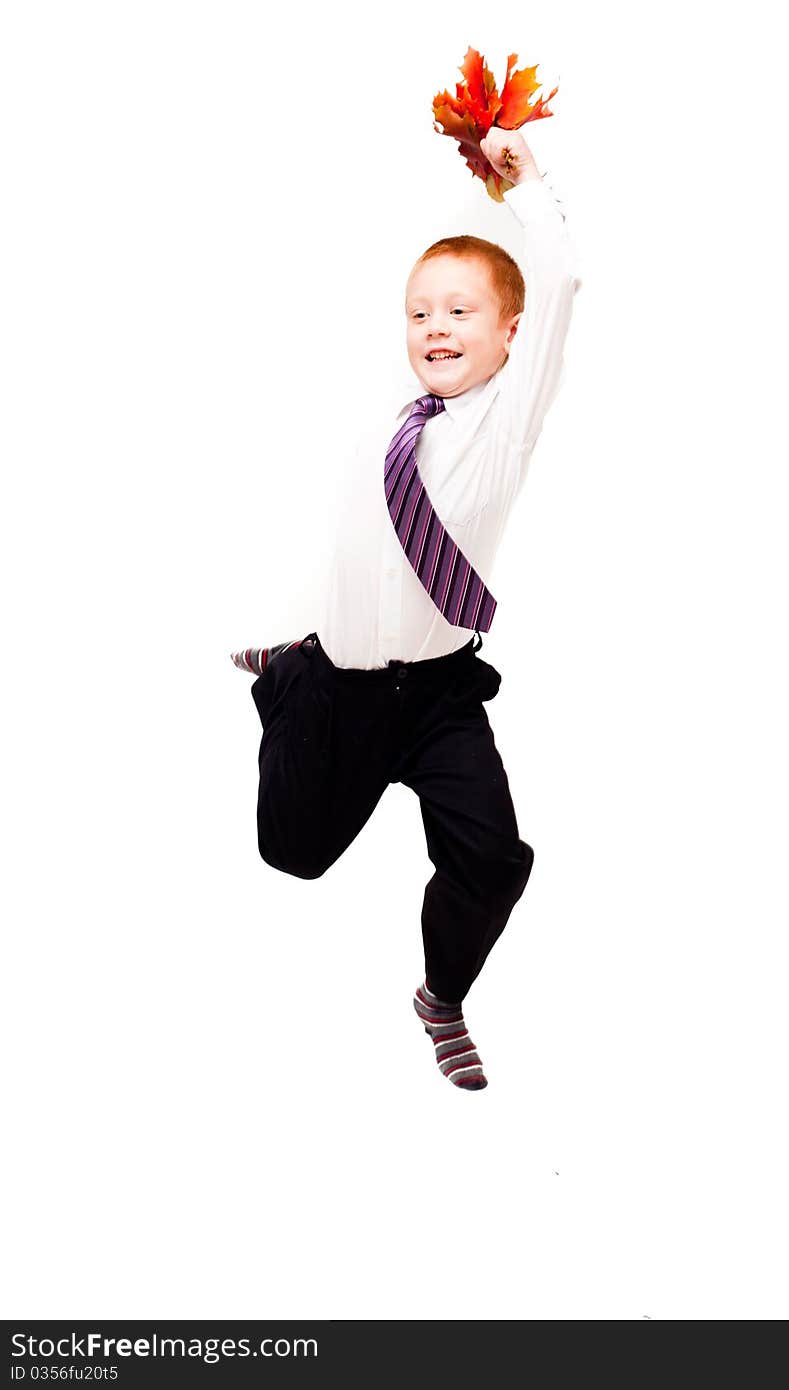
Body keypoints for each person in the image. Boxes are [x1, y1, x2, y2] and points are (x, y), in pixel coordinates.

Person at [231, 127, 581, 1090]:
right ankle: (292, 669)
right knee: (291, 856)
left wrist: (528, 187)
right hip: (341, 688)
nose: (437, 326)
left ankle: (442, 997)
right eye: (422, 311)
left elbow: (558, 286)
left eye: (463, 311)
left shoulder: (503, 425)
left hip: (434, 696)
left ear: (509, 337)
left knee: (494, 857)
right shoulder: (395, 406)